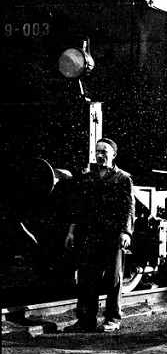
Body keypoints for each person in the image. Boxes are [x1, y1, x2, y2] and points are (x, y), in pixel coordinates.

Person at [64, 138, 134, 333]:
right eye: (98, 151)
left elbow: (129, 207)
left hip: (112, 236)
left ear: (113, 155)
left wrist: (125, 231)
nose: (100, 155)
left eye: (104, 151)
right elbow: (78, 209)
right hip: (89, 235)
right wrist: (72, 231)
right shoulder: (88, 178)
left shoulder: (123, 178)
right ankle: (86, 320)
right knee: (87, 278)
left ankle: (112, 319)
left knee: (113, 279)